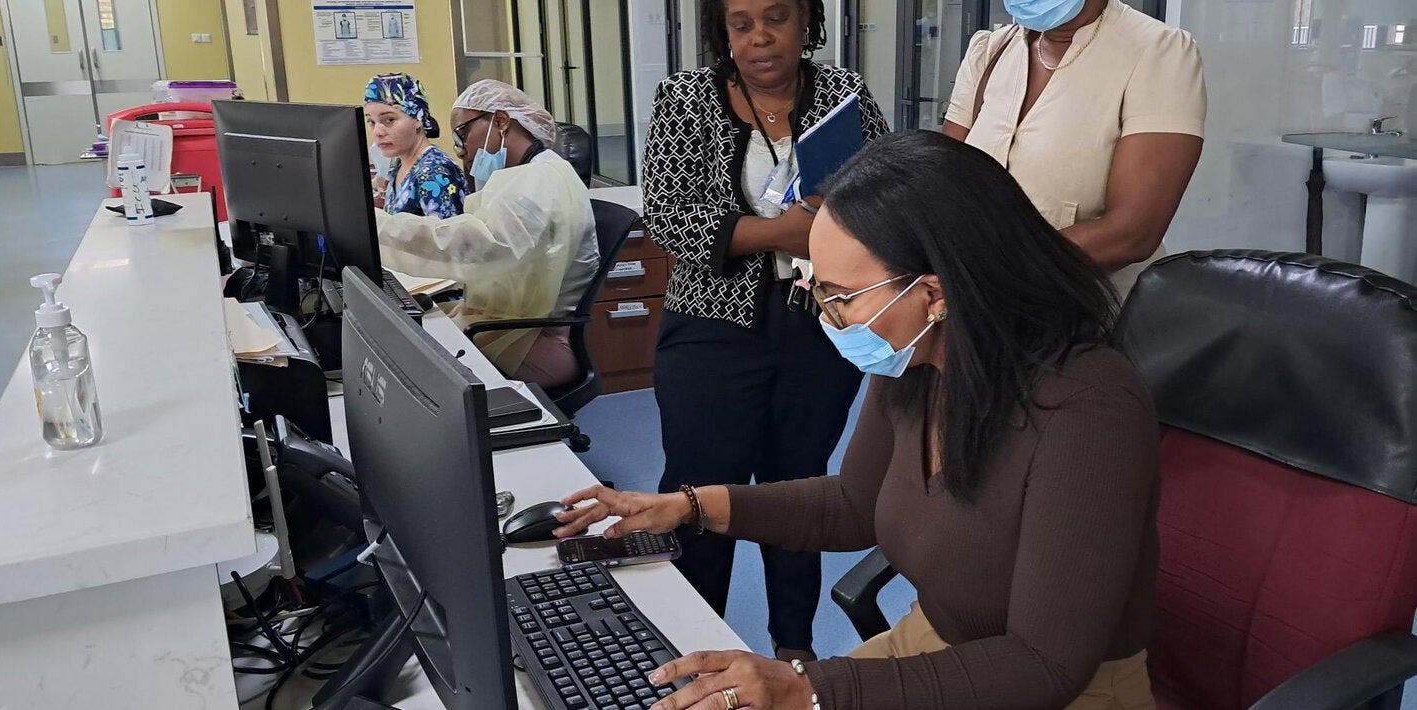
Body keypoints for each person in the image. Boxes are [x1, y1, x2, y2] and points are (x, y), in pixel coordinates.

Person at [553, 131, 1160, 709]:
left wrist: (810, 689)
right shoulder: (920, 359)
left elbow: (1043, 666)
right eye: (818, 289)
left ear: (935, 294)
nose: (827, 316)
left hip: (1052, 691)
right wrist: (690, 505)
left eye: (841, 297)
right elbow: (854, 504)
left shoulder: (1089, 409)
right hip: (933, 646)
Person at [640, 0, 890, 663]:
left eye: (776, 18)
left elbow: (883, 194)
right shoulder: (686, 98)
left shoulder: (843, 93)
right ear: (721, 32)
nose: (760, 37)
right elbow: (668, 215)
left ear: (806, 22)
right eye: (741, 23)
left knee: (798, 490)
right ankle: (693, 649)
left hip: (818, 327)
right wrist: (788, 231)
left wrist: (835, 223)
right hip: (710, 330)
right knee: (698, 492)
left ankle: (794, 652)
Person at [943, 0, 1205, 297]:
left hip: (1085, 308)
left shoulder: (1158, 51)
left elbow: (1132, 234)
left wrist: (989, 271)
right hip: (974, 303)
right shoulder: (990, 51)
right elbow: (944, 184)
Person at [375, 80, 598, 389]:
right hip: (510, 322)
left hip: (534, 337)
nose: (460, 150)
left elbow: (481, 246)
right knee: (412, 333)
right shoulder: (524, 174)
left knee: (415, 369)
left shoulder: (540, 181)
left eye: (462, 134)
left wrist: (381, 227)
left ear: (501, 121)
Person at [364, 72, 468, 219]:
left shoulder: (434, 174)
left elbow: (447, 233)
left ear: (418, 118)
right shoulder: (401, 163)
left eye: (389, 120)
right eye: (371, 122)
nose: (378, 132)